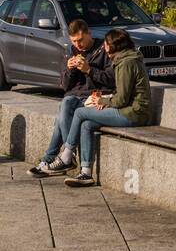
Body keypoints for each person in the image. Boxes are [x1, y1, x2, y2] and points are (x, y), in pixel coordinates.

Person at [58, 28, 153, 188]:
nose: (104, 46)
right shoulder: (124, 60)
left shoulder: (126, 63)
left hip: (134, 113)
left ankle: (67, 155)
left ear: (115, 46)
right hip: (128, 110)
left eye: (107, 43)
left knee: (81, 112)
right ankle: (86, 173)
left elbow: (122, 99)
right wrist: (105, 101)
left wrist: (102, 101)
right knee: (86, 124)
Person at [28, 20, 115, 178]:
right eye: (74, 40)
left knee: (61, 117)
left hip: (94, 97)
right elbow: (65, 86)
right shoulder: (70, 51)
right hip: (75, 97)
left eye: (80, 40)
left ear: (89, 33)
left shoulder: (103, 50)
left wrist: (89, 70)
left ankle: (53, 158)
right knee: (66, 103)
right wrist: (69, 69)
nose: (78, 44)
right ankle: (67, 156)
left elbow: (111, 80)